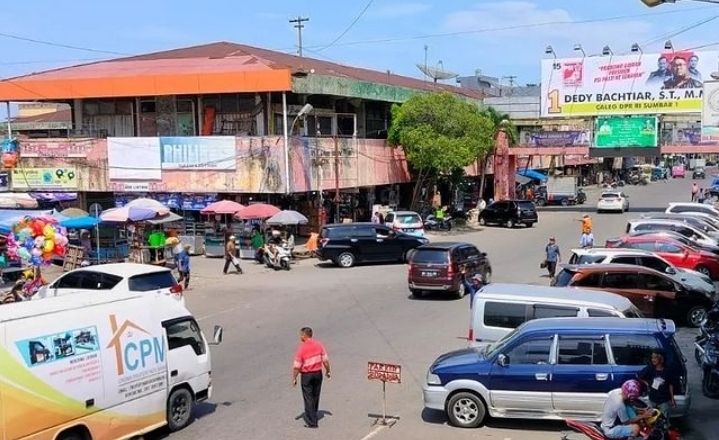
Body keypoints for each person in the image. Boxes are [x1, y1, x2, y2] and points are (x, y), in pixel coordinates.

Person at [292, 327, 331, 429]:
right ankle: (314, 413)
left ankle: (312, 421)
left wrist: (294, 377)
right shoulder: (319, 345)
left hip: (307, 375)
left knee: (308, 397)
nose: (300, 337)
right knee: (315, 395)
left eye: (301, 335)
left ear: (304, 336)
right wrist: (328, 371)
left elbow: (297, 366)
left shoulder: (302, 348)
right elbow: (325, 360)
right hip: (318, 373)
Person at [637, 349, 679, 419]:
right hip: (652, 399)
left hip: (664, 400)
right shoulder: (650, 368)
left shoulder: (667, 370)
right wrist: (647, 384)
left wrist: (672, 398)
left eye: (655, 357)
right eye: (652, 357)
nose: (653, 359)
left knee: (664, 419)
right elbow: (639, 376)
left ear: (661, 358)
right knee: (650, 418)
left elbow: (670, 385)